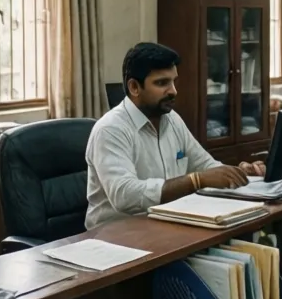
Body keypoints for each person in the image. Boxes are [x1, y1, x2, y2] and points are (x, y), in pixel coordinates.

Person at [85, 42, 266, 229]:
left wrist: (238, 174)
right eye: (162, 83)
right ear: (134, 87)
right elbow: (125, 196)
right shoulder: (110, 129)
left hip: (168, 228)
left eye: (173, 81)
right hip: (117, 239)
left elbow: (205, 166)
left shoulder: (171, 119)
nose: (173, 91)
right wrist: (194, 181)